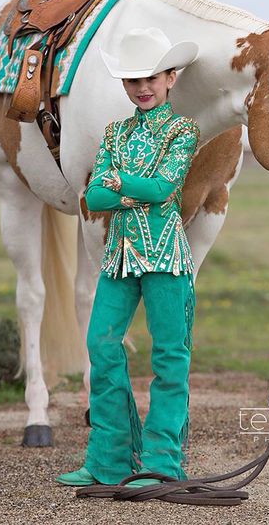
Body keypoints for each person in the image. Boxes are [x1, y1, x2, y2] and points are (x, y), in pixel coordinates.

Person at [56, 27, 200, 489]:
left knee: (169, 356)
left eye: (152, 78)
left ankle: (161, 461)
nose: (142, 88)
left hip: (166, 257)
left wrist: (118, 184)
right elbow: (93, 198)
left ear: (171, 77)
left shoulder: (183, 130)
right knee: (100, 344)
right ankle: (109, 458)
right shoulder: (115, 132)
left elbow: (164, 189)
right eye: (133, 79)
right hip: (119, 257)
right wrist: (124, 192)